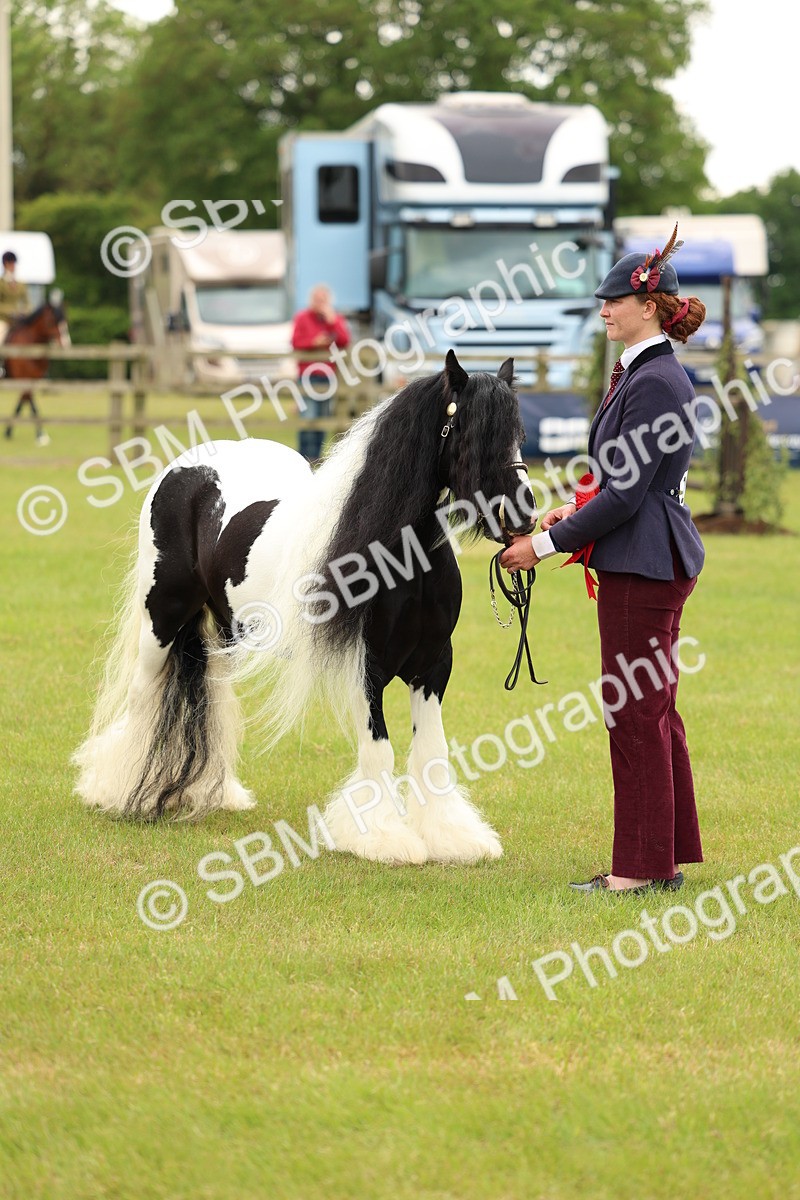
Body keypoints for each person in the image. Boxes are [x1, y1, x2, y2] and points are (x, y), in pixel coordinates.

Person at [501, 224, 707, 895]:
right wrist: (571, 506)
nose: (603, 309)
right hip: (646, 553)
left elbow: (627, 497)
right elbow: (621, 479)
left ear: (648, 305)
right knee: (653, 708)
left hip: (645, 561)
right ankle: (662, 859)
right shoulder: (645, 373)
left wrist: (541, 544)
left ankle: (639, 872)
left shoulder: (654, 380)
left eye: (612, 299)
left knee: (634, 712)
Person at [291, 284, 350, 462]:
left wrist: (333, 321)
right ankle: (304, 459)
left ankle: (316, 459)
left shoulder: (334, 319)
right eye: (317, 300)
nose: (320, 304)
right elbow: (296, 342)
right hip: (307, 376)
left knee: (323, 419)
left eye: (323, 300)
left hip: (328, 377)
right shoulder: (302, 318)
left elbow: (345, 340)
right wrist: (313, 343)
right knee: (308, 419)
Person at [0, 251, 30, 343]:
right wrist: (10, 312)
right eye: (9, 263)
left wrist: (24, 311)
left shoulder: (21, 284)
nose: (12, 266)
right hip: (3, 319)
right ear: (5, 264)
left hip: (18, 320)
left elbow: (27, 303)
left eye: (13, 263)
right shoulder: (1, 283)